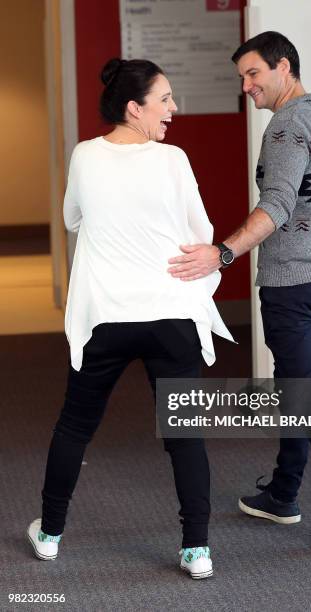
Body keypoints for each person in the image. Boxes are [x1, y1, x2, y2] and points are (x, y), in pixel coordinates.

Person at [168, 31, 311, 553]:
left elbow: (278, 206)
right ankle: (284, 492)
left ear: (284, 67)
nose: (247, 86)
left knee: (304, 394)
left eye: (254, 74)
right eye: (242, 77)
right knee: (298, 384)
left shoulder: (287, 127)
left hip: (293, 284)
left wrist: (222, 253)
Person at [27, 57, 233, 579]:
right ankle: (197, 549)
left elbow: (73, 218)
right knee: (185, 434)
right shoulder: (173, 160)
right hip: (170, 313)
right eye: (164, 99)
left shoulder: (85, 156)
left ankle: (49, 534)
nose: (174, 109)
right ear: (133, 107)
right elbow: (201, 229)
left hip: (108, 316)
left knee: (75, 425)